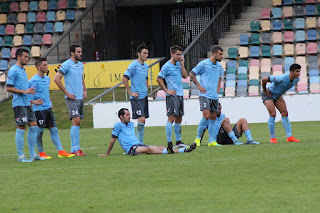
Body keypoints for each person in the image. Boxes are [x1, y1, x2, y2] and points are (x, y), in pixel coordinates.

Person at [98, 108, 196, 157]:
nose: (129, 116)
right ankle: (178, 151)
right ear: (121, 117)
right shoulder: (117, 126)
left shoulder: (131, 124)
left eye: (129, 114)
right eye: (127, 115)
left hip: (138, 144)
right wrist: (107, 154)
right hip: (131, 149)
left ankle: (183, 150)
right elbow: (112, 141)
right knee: (149, 149)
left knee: (161, 147)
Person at [29, 58, 75, 159]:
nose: (46, 67)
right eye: (44, 65)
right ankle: (41, 152)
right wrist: (33, 102)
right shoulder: (33, 81)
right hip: (38, 110)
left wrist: (49, 101)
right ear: (38, 67)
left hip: (48, 109)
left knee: (54, 130)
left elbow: (46, 92)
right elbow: (28, 96)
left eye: (47, 65)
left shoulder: (47, 79)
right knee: (39, 131)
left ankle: (61, 151)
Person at [6, 48, 44, 162]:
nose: (28, 59)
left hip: (27, 103)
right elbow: (8, 87)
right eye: (26, 57)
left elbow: (24, 88)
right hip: (19, 104)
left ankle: (33, 154)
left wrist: (32, 101)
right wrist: (25, 92)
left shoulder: (23, 70)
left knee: (34, 126)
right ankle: (21, 156)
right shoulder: (13, 70)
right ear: (19, 57)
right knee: (21, 127)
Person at [54, 45, 87, 156]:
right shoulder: (66, 64)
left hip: (79, 97)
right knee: (76, 120)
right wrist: (67, 93)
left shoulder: (80, 65)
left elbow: (81, 77)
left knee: (76, 122)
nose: (80, 53)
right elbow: (56, 79)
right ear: (72, 53)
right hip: (71, 98)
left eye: (81, 51)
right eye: (78, 52)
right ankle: (77, 149)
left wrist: (84, 90)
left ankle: (74, 149)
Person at [189, 46, 224, 147]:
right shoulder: (203, 64)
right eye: (220, 54)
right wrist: (199, 86)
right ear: (214, 54)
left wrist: (218, 87)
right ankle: (198, 138)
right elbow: (191, 74)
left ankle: (211, 141)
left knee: (213, 117)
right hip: (204, 95)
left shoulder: (219, 67)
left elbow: (220, 77)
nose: (221, 56)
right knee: (206, 115)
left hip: (214, 96)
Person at [157, 45, 188, 151]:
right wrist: (166, 91)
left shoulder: (179, 65)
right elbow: (159, 79)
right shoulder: (166, 66)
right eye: (177, 54)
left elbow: (185, 76)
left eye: (180, 54)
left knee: (179, 118)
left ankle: (178, 141)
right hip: (172, 96)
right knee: (171, 118)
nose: (179, 56)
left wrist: (182, 64)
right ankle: (169, 142)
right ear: (172, 54)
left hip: (180, 95)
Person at [261, 63, 301, 143]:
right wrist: (265, 90)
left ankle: (289, 137)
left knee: (285, 113)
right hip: (269, 94)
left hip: (277, 95)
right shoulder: (281, 78)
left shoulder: (297, 79)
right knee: (273, 114)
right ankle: (273, 138)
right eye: (297, 71)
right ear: (291, 72)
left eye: (299, 71)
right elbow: (264, 79)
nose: (299, 73)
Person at [122, 44, 149, 144]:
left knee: (143, 120)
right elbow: (125, 78)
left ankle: (139, 143)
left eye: (147, 53)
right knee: (141, 119)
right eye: (144, 53)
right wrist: (130, 92)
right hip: (136, 97)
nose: (146, 55)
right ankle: (138, 144)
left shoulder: (146, 66)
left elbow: (146, 78)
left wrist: (146, 90)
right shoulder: (133, 65)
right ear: (138, 54)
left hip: (144, 97)